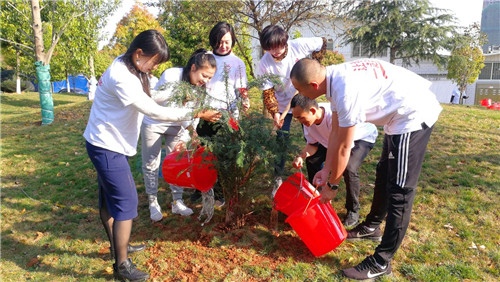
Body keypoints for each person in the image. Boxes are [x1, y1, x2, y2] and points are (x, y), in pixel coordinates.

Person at [83, 30, 219, 281]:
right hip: (106, 145)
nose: (155, 67)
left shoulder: (131, 67)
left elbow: (152, 96)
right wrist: (197, 113)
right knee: (126, 203)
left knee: (108, 201)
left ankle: (118, 247)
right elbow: (152, 110)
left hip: (106, 142)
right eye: (155, 61)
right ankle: (122, 265)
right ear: (139, 53)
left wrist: (184, 102)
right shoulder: (121, 76)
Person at [290, 58, 441, 280]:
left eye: (299, 89)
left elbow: (344, 145)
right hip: (395, 118)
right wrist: (327, 169)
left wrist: (332, 185)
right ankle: (372, 227)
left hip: (412, 114)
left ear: (313, 86)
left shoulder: (344, 91)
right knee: (383, 175)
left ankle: (382, 261)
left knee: (400, 190)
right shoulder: (333, 80)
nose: (297, 93)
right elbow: (334, 134)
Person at [142, 49, 219, 221]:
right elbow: (156, 99)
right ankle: (153, 202)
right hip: (154, 121)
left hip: (178, 125)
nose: (205, 81)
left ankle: (177, 201)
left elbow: (193, 115)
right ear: (193, 68)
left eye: (209, 78)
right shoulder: (171, 75)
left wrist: (187, 137)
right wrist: (180, 95)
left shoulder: (200, 90)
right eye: (204, 76)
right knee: (151, 163)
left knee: (178, 162)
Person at [290, 94, 378, 228]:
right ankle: (319, 199)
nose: (299, 121)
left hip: (360, 137)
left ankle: (353, 210)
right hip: (332, 143)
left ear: (313, 111)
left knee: (349, 168)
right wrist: (301, 156)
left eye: (300, 117)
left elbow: (341, 149)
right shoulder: (308, 121)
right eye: (296, 118)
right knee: (312, 160)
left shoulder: (333, 116)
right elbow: (312, 145)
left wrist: (329, 175)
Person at [256, 24, 327, 188]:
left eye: (279, 46)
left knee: (313, 138)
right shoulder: (264, 63)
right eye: (271, 48)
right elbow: (268, 92)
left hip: (304, 97)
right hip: (282, 105)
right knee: (281, 140)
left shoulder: (299, 45)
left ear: (285, 41)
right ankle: (277, 178)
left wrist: (315, 66)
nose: (276, 51)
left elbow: (322, 42)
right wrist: (275, 113)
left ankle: (316, 178)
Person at [191, 21, 249, 206]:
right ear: (213, 40)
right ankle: (200, 188)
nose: (223, 46)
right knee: (203, 153)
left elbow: (241, 89)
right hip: (205, 113)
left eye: (227, 42)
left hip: (226, 115)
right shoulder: (204, 57)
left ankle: (219, 192)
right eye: (219, 41)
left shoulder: (237, 63)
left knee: (222, 155)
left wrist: (244, 102)